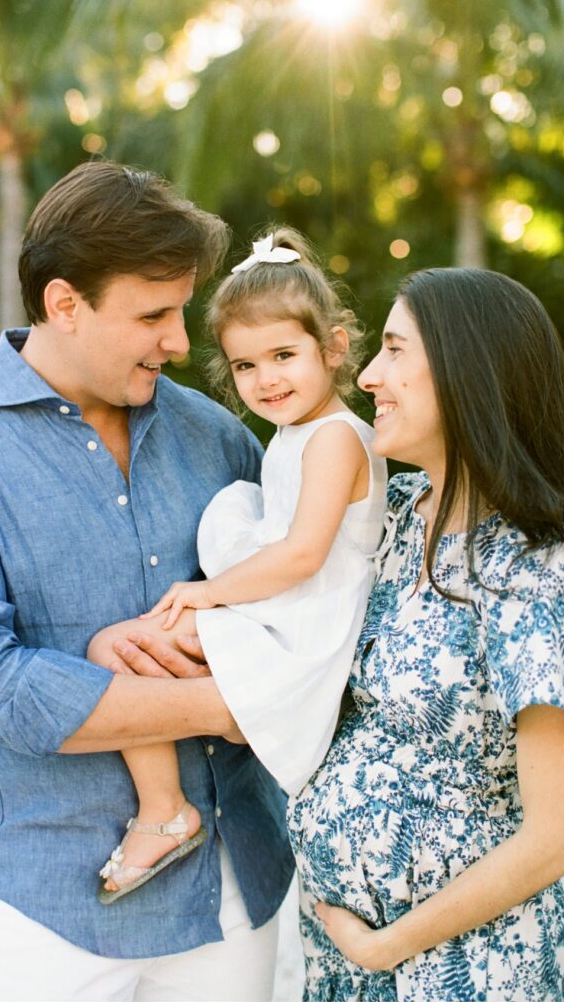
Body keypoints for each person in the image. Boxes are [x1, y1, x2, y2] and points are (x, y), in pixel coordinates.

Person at [0, 161, 294, 1002]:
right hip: (47, 910)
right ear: (64, 304)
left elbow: (295, 609)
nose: (180, 342)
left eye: (181, 310)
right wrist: (234, 703)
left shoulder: (219, 436)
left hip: (231, 897)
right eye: (154, 314)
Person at [286, 266, 564, 1002]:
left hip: (462, 971)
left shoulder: (541, 565)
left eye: (395, 350)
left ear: (471, 370)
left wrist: (387, 947)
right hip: (346, 958)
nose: (368, 374)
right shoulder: (393, 517)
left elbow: (557, 838)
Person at [87, 229, 387, 900]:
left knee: (117, 648)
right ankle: (168, 805)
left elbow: (305, 553)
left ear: (333, 347)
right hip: (284, 613)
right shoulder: (297, 436)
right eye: (246, 365)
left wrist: (208, 595)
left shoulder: (336, 438)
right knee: (119, 648)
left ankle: (166, 812)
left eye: (283, 354)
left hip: (304, 633)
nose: (266, 378)